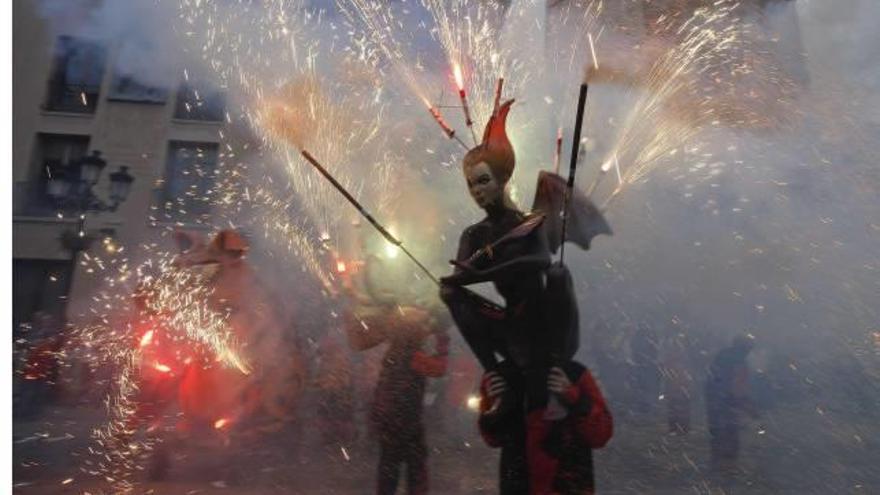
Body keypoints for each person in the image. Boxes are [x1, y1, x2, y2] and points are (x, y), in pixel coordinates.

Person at [345, 303, 449, 495]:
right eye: (423, 326)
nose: (426, 330)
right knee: (416, 473)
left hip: (390, 424)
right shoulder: (413, 357)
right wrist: (443, 341)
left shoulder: (393, 356)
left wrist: (377, 419)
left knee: (388, 473)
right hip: (408, 424)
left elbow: (382, 391)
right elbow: (439, 368)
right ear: (413, 333)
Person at [477, 359, 613, 494]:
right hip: (523, 484)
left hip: (564, 483)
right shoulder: (502, 375)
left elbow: (600, 435)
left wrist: (575, 399)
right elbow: (493, 438)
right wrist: (495, 412)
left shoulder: (573, 373)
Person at [705, 335, 758, 474]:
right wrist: (748, 405)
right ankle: (728, 464)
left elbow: (713, 375)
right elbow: (738, 388)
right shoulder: (739, 361)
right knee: (731, 431)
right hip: (727, 400)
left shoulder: (722, 355)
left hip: (715, 397)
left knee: (717, 431)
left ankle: (717, 462)